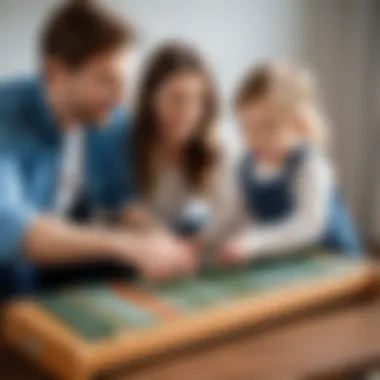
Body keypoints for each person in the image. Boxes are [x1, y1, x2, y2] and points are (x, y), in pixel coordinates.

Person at [0, 0, 194, 298]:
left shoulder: (108, 118)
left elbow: (120, 200)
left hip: (55, 262)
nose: (121, 97)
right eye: (106, 80)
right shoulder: (6, 114)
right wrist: (126, 243)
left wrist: (157, 239)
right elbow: (12, 229)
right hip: (12, 264)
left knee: (127, 264)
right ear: (54, 72)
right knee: (14, 273)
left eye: (123, 82)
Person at [219, 62, 362, 265]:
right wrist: (208, 238)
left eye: (267, 127)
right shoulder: (245, 166)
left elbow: (309, 225)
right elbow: (235, 214)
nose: (255, 138)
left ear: (299, 122)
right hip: (289, 264)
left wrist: (253, 242)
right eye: (247, 127)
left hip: (333, 261)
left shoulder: (310, 165)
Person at [123, 42, 230, 269]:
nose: (188, 113)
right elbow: (120, 219)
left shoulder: (218, 152)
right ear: (150, 98)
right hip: (135, 269)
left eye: (198, 100)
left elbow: (226, 222)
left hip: (198, 265)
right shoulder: (125, 149)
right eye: (176, 98)